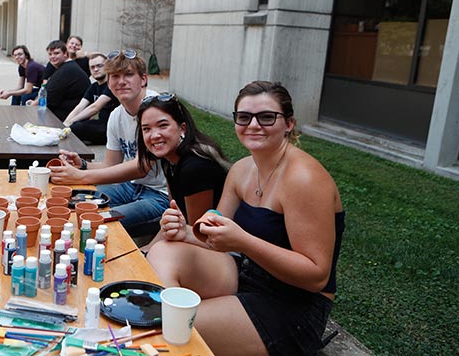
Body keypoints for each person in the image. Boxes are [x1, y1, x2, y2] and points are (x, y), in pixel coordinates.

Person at [147, 81, 345, 356]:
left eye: (266, 117)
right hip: (245, 274)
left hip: (292, 304)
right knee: (164, 251)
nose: (253, 125)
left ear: (289, 123)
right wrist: (186, 233)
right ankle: (172, 309)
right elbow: (214, 237)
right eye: (244, 117)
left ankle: (175, 324)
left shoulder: (304, 179)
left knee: (174, 326)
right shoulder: (242, 170)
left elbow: (316, 277)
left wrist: (244, 242)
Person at [50, 49, 169, 238]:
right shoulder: (116, 115)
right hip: (130, 186)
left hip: (160, 196)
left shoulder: (155, 109)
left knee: (96, 221)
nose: (121, 81)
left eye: (129, 74)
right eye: (115, 76)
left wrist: (81, 176)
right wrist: (82, 164)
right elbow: (110, 165)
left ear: (143, 79)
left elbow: (142, 166)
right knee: (71, 201)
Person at [135, 92, 230, 250]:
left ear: (182, 128)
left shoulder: (195, 167)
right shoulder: (169, 159)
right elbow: (174, 218)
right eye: (146, 129)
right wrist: (145, 249)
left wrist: (149, 252)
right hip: (190, 238)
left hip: (217, 249)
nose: (154, 135)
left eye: (163, 125)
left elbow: (195, 233)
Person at [63, 52, 119, 144]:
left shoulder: (112, 85)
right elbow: (80, 106)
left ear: (107, 66)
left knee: (75, 128)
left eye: (99, 66)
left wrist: (71, 123)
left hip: (112, 128)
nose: (96, 69)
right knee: (72, 126)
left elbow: (95, 108)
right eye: (92, 67)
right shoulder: (94, 86)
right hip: (100, 123)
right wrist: (65, 123)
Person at [26, 40, 89, 121]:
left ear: (65, 53)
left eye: (56, 53)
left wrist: (30, 108)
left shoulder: (67, 70)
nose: (52, 56)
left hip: (69, 116)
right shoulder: (66, 67)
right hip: (66, 110)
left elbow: (48, 97)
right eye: (50, 54)